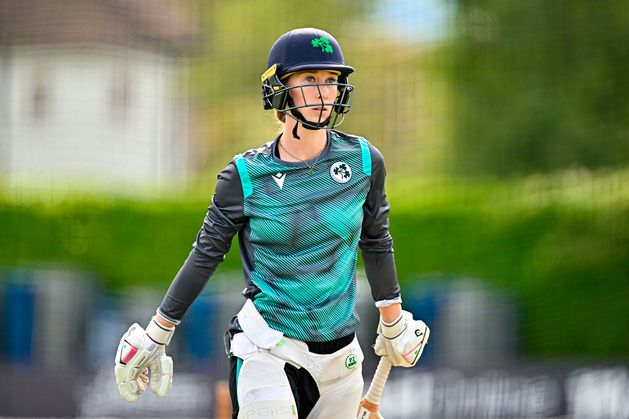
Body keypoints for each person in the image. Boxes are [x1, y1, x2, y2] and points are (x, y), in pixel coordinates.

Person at [114, 27, 430, 419]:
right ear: (279, 89)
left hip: (342, 362)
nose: (324, 93)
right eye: (310, 80)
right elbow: (205, 256)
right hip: (268, 349)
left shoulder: (365, 161)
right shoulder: (244, 175)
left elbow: (377, 242)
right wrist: (157, 333)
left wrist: (393, 321)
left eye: (331, 81)